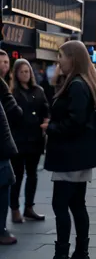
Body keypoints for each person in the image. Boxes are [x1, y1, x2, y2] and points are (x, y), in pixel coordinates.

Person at [36, 41, 96, 259]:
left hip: (70, 156)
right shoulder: (83, 82)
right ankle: (80, 254)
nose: (59, 62)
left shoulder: (76, 85)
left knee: (61, 204)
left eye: (61, 57)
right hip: (78, 156)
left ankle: (62, 258)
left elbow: (75, 122)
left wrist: (50, 127)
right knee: (76, 205)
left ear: (73, 58)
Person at [9, 59, 49, 223]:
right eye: (22, 71)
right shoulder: (13, 93)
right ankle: (15, 208)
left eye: (27, 71)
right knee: (17, 175)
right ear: (16, 74)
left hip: (35, 138)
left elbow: (45, 108)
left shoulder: (38, 90)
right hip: (18, 139)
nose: (25, 74)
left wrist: (46, 121)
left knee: (32, 174)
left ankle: (29, 207)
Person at [0, 50, 23, 245]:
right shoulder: (3, 87)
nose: (4, 66)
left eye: (7, 62)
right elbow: (14, 112)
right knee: (5, 183)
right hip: (2, 147)